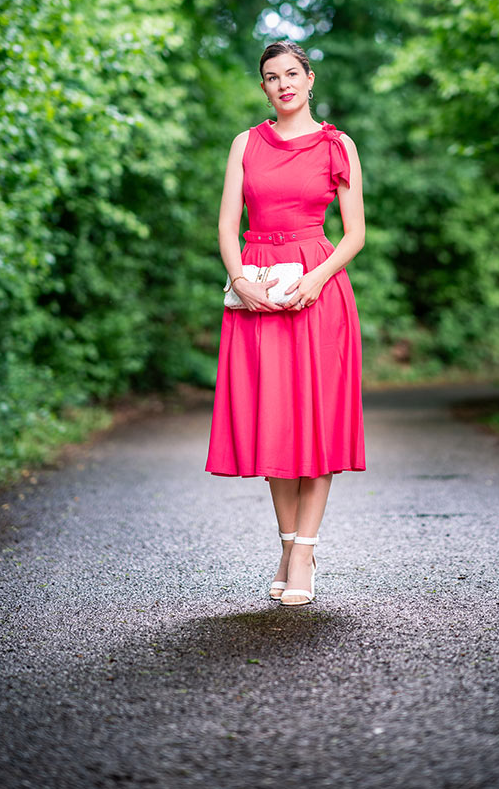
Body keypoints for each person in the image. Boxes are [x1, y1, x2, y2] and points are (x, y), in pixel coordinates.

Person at [205, 40, 366, 606]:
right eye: (271, 77)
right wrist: (240, 280)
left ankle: (303, 552)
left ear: (310, 78)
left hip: (318, 287)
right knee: (275, 422)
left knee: (316, 426)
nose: (283, 85)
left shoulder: (337, 144)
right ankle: (288, 543)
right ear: (264, 87)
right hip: (257, 289)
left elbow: (355, 234)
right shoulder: (245, 143)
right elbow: (228, 224)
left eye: (291, 74)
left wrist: (316, 279)